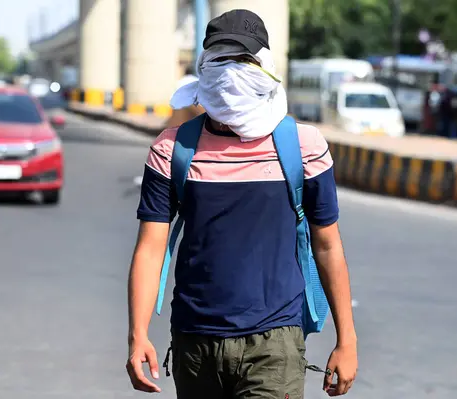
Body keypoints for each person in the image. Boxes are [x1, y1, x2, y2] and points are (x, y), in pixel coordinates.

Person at [126, 9, 357, 399]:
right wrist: (137, 335)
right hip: (194, 342)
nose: (231, 73)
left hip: (275, 343)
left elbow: (328, 244)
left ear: (263, 66)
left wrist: (347, 340)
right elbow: (150, 249)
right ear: (204, 67)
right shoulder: (171, 149)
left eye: (244, 60)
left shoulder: (303, 147)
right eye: (221, 60)